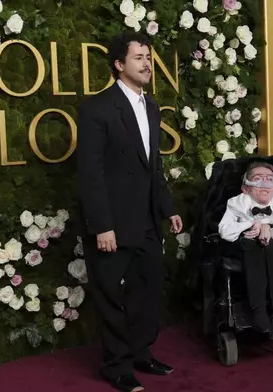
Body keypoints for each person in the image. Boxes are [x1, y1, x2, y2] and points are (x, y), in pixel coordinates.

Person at [76, 32, 183, 392]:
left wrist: (167, 209)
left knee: (147, 294)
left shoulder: (151, 107)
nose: (147, 63)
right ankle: (116, 366)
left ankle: (140, 352)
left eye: (149, 57)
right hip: (113, 224)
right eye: (139, 57)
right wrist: (102, 226)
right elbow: (90, 174)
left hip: (148, 220)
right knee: (111, 299)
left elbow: (153, 165)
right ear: (119, 65)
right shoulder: (97, 108)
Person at [218, 162, 273, 337]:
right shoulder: (236, 204)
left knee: (269, 246)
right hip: (244, 245)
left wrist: (269, 229)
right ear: (246, 188)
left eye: (269, 179)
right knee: (252, 245)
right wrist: (253, 224)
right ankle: (258, 309)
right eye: (258, 179)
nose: (264, 184)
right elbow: (225, 231)